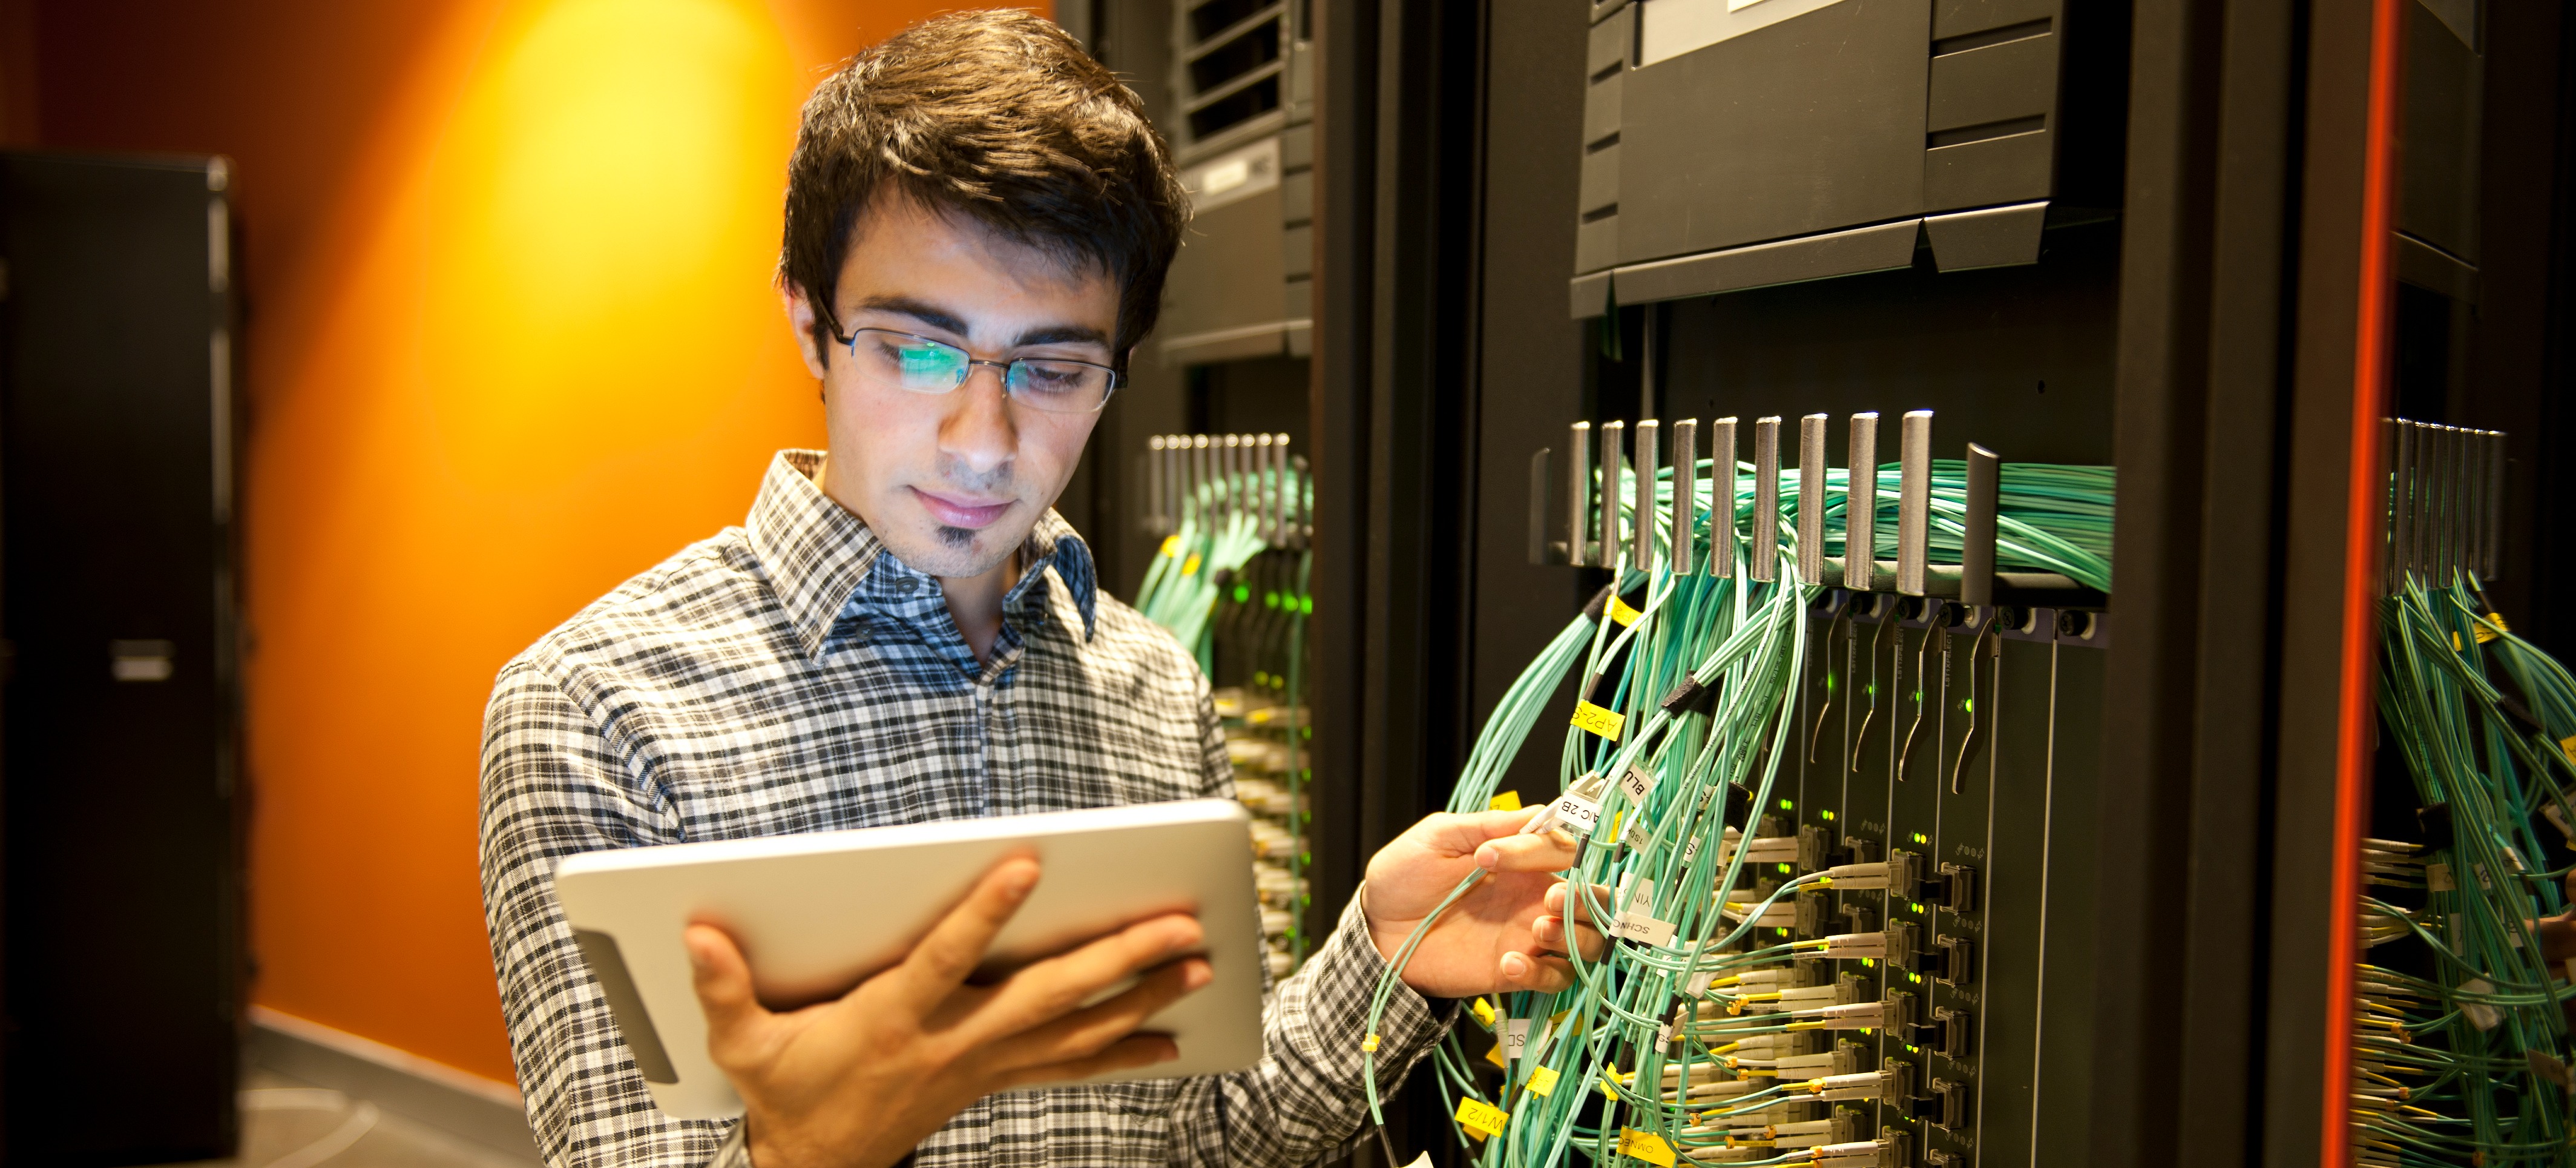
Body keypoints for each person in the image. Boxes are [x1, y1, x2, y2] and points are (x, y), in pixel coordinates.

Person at [478, 12, 1600, 1168]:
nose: (982, 440)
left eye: (1053, 370)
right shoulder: (594, 712)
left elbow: (1206, 1134)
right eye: (917, 351)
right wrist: (804, 1150)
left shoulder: (1149, 682)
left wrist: (1382, 952)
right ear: (811, 322)